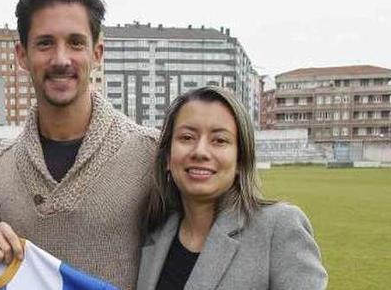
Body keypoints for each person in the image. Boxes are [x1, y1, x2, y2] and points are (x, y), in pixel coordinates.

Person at [0, 0, 159, 290]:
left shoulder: (150, 153)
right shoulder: (1, 165)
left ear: (97, 53)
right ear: (22, 55)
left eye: (75, 43)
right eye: (45, 43)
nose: (61, 59)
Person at [137, 86, 327, 290]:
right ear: (167, 157)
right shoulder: (155, 231)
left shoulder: (279, 227)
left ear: (240, 161)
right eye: (187, 137)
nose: (200, 151)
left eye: (219, 140)